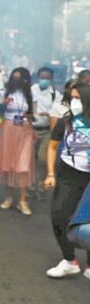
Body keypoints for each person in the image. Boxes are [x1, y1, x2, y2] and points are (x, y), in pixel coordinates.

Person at [43, 82, 90, 279]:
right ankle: (69, 260)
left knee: (87, 221)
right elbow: (53, 147)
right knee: (59, 216)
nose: (74, 102)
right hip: (68, 174)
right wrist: (50, 174)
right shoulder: (66, 121)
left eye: (78, 98)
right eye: (72, 98)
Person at [0, 68, 36, 215]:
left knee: (23, 164)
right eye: (14, 77)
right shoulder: (6, 92)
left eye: (19, 78)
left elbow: (34, 115)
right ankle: (9, 197)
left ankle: (23, 200)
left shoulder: (30, 94)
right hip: (8, 129)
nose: (16, 80)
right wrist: (3, 103)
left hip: (25, 130)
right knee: (8, 163)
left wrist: (29, 116)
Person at [31, 66, 58, 194]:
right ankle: (30, 185)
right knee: (31, 158)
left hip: (47, 130)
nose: (44, 80)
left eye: (47, 78)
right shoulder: (31, 91)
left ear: (51, 79)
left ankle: (41, 184)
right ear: (38, 77)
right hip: (31, 129)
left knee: (42, 159)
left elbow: (58, 111)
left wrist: (50, 114)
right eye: (42, 78)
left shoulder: (55, 94)